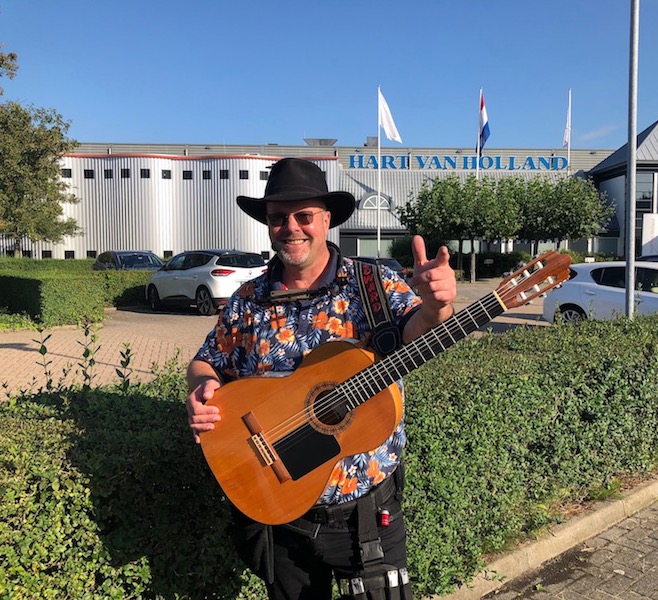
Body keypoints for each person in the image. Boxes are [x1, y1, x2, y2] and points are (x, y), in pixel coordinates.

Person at [185, 157, 457, 600]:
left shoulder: (373, 284)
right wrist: (200, 389)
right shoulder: (247, 300)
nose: (291, 227)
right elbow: (206, 362)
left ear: (327, 219)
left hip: (367, 516)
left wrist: (437, 306)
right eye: (278, 218)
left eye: (304, 215)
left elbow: (418, 330)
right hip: (281, 513)